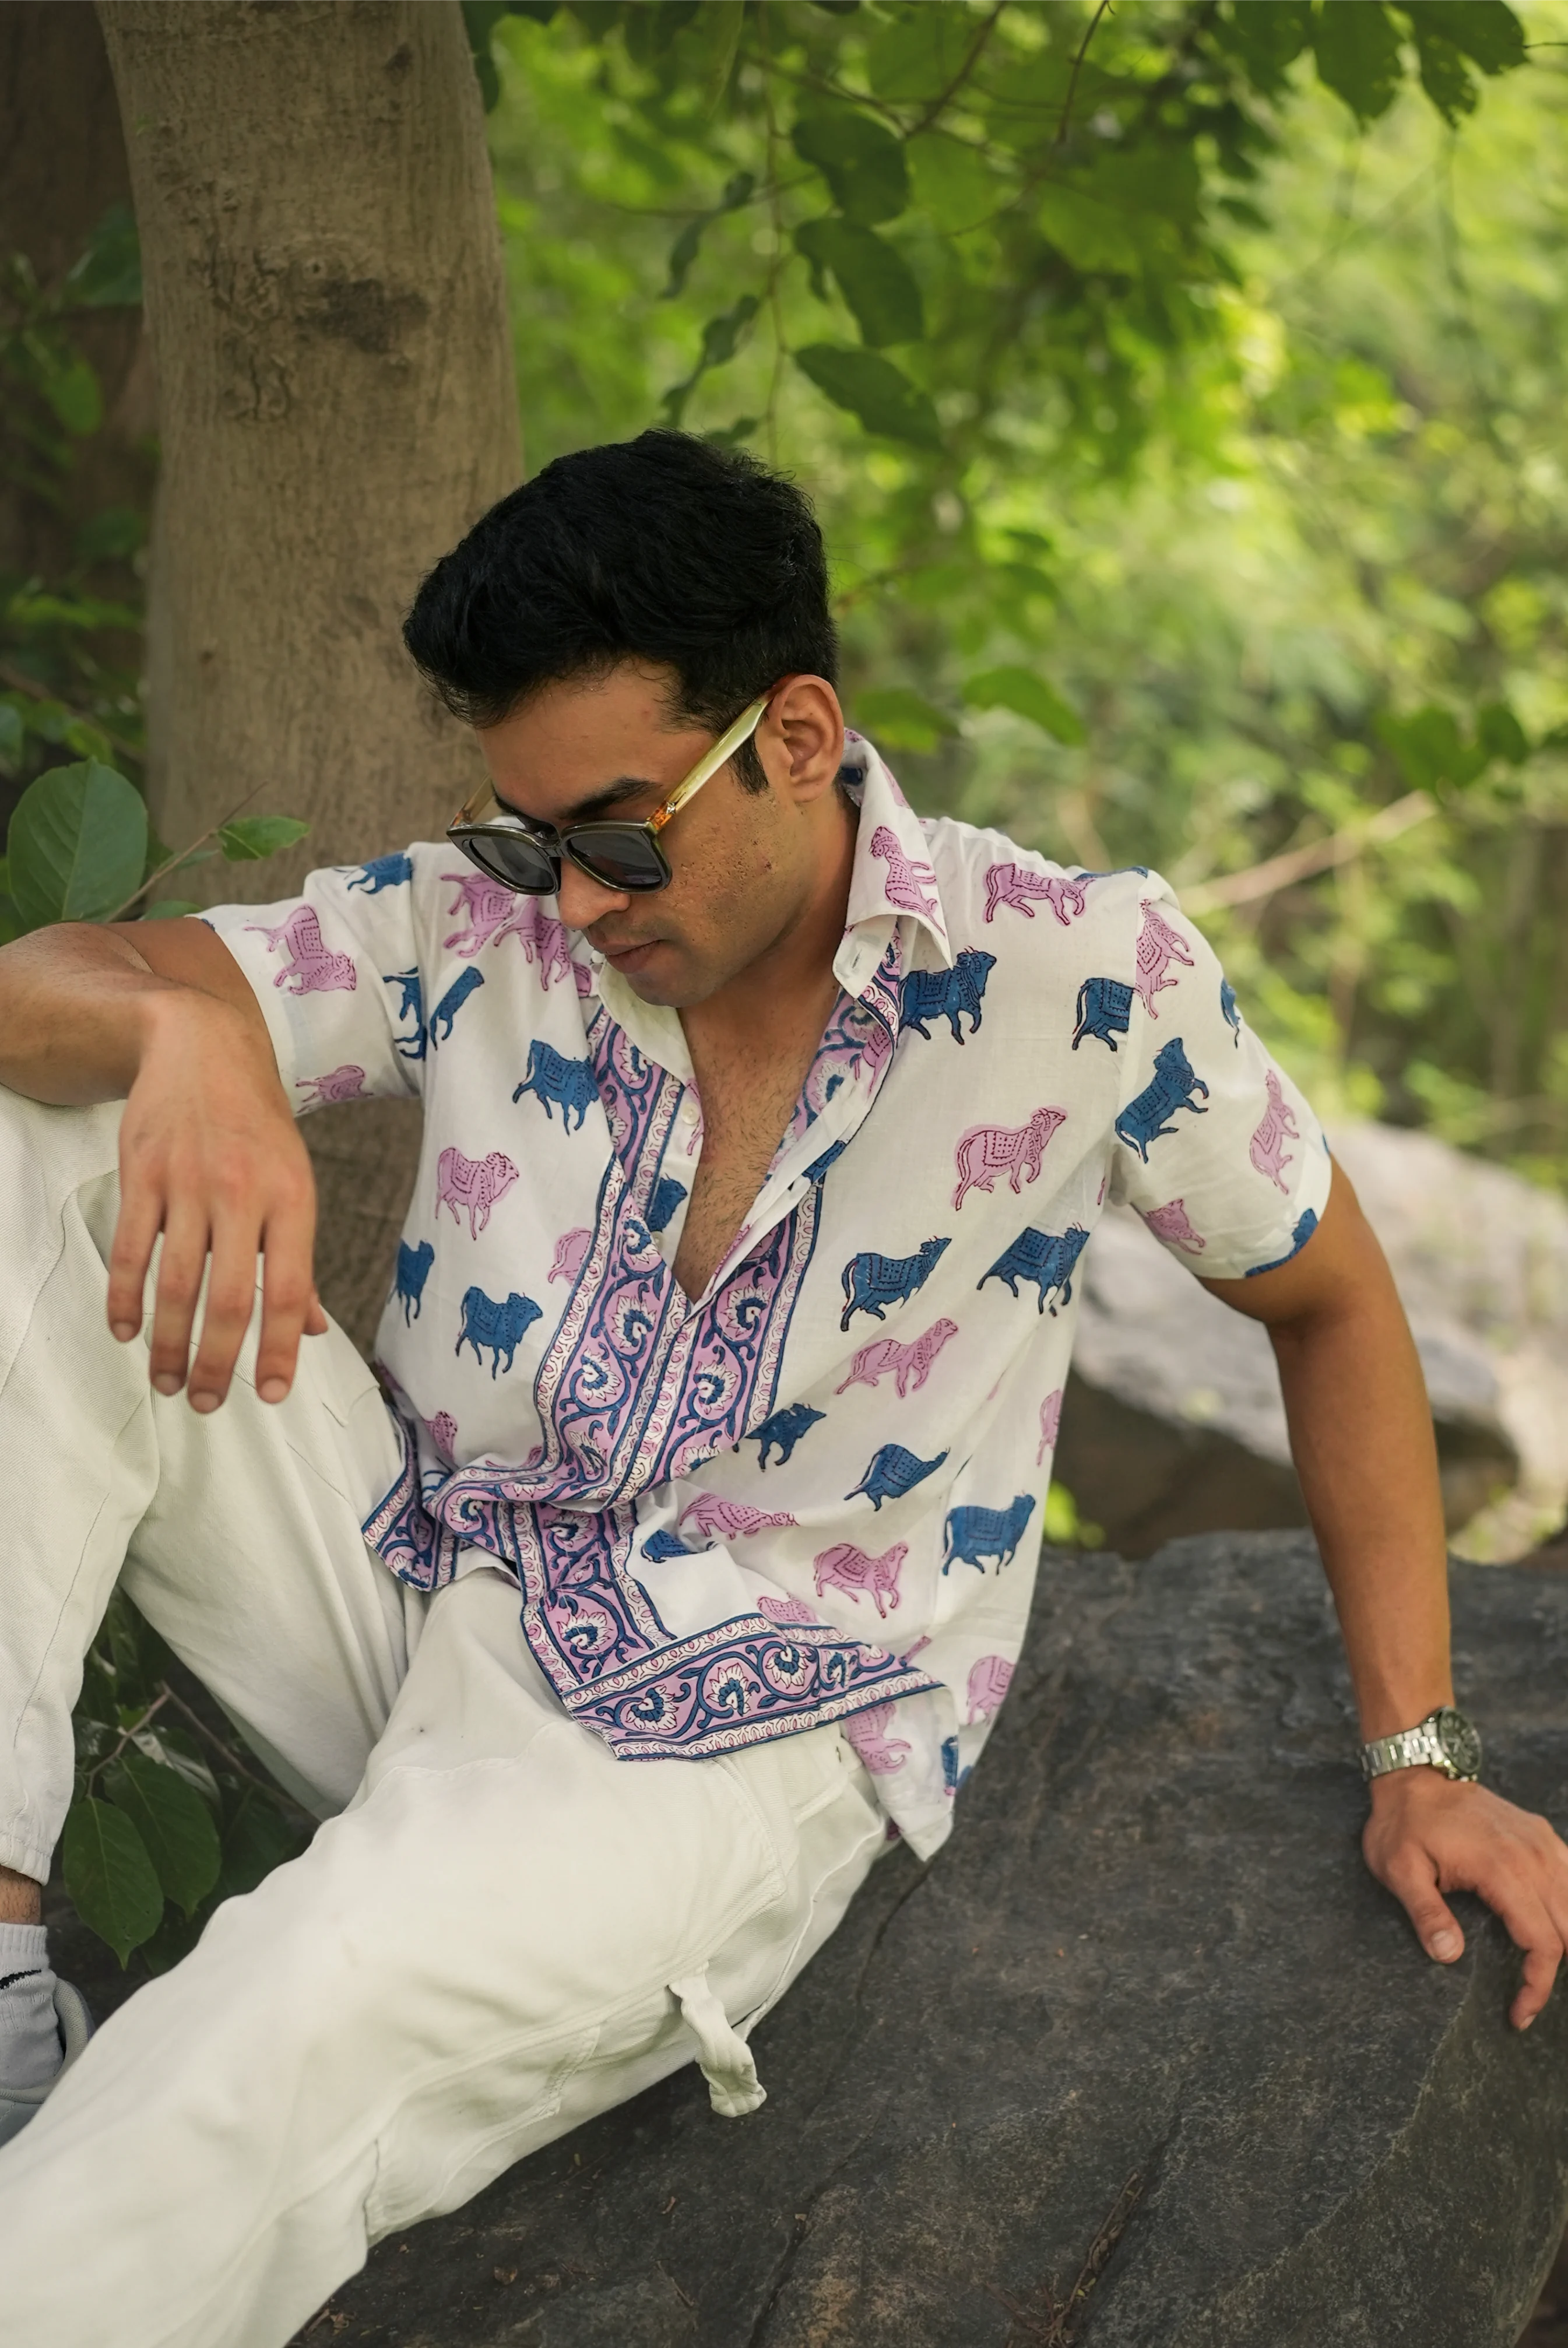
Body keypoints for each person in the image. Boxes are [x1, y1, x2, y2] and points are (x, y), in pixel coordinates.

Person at [0, 430, 1563, 2345]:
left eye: (619, 834)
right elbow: (32, 982)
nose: (569, 899)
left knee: (300, 2004)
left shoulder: (1083, 979)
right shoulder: (474, 924)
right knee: (43, 1134)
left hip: (734, 1735)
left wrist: (1422, 1755)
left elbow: (1332, 1301)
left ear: (800, 735)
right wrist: (183, 1032)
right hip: (415, 1574)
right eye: (528, 837)